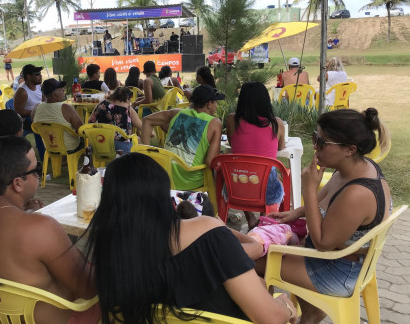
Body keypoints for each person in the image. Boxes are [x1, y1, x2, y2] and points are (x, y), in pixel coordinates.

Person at [84, 153, 297, 324]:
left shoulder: (111, 248)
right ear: (162, 197)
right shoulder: (208, 231)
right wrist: (286, 306)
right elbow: (271, 318)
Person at [263, 108, 391, 324]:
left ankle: (277, 315)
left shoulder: (358, 194)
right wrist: (295, 213)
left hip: (336, 269)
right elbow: (322, 203)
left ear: (350, 149)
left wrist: (308, 189)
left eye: (322, 142)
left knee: (251, 261)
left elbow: (322, 243)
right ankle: (311, 312)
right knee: (263, 248)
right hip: (336, 257)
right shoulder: (354, 168)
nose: (315, 147)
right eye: (315, 137)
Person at [0, 136, 98, 324]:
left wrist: (25, 213)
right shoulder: (41, 229)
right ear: (18, 183)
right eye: (36, 170)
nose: (39, 175)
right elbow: (89, 288)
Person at [225, 81, 286, 229]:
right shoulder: (276, 123)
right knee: (274, 174)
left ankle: (250, 217)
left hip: (236, 187)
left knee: (243, 170)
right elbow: (280, 147)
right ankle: (264, 217)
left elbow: (232, 143)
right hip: (267, 191)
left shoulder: (232, 120)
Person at [141, 84, 223, 190]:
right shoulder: (215, 123)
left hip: (165, 175)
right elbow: (210, 161)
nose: (217, 106)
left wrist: (146, 155)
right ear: (209, 104)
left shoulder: (176, 113)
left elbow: (147, 120)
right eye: (216, 102)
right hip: (190, 180)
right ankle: (214, 200)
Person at [32, 78, 84, 152]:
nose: (64, 91)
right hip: (70, 149)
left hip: (50, 148)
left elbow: (37, 128)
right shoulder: (66, 108)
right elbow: (81, 129)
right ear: (54, 95)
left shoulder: (35, 109)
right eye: (61, 90)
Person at [89, 87, 142, 154]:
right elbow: (141, 126)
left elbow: (90, 122)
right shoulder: (128, 109)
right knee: (138, 140)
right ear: (127, 99)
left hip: (101, 143)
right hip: (121, 147)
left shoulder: (101, 104)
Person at [14, 64, 46, 160]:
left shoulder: (39, 86)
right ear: (28, 76)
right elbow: (19, 111)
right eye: (37, 74)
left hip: (39, 114)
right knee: (42, 124)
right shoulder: (22, 91)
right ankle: (44, 154)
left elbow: (43, 100)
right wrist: (35, 111)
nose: (40, 76)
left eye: (40, 73)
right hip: (26, 120)